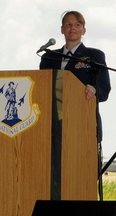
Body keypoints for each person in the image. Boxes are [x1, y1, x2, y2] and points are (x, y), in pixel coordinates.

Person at [38, 10, 111, 141]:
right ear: (62, 29)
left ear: (84, 30)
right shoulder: (49, 57)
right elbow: (42, 89)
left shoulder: (94, 55)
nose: (73, 28)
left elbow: (104, 91)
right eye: (68, 24)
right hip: (52, 124)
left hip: (84, 122)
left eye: (77, 25)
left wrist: (94, 90)